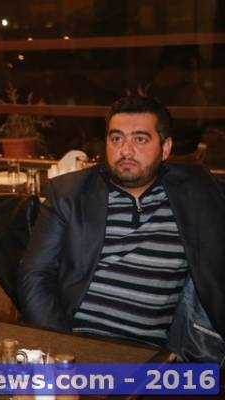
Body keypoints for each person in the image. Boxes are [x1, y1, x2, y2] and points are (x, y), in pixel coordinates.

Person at [18, 95, 225, 363]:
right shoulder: (70, 194)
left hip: (147, 356)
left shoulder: (196, 193)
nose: (125, 150)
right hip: (73, 340)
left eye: (140, 139)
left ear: (165, 148)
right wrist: (64, 351)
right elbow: (34, 275)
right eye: (116, 138)